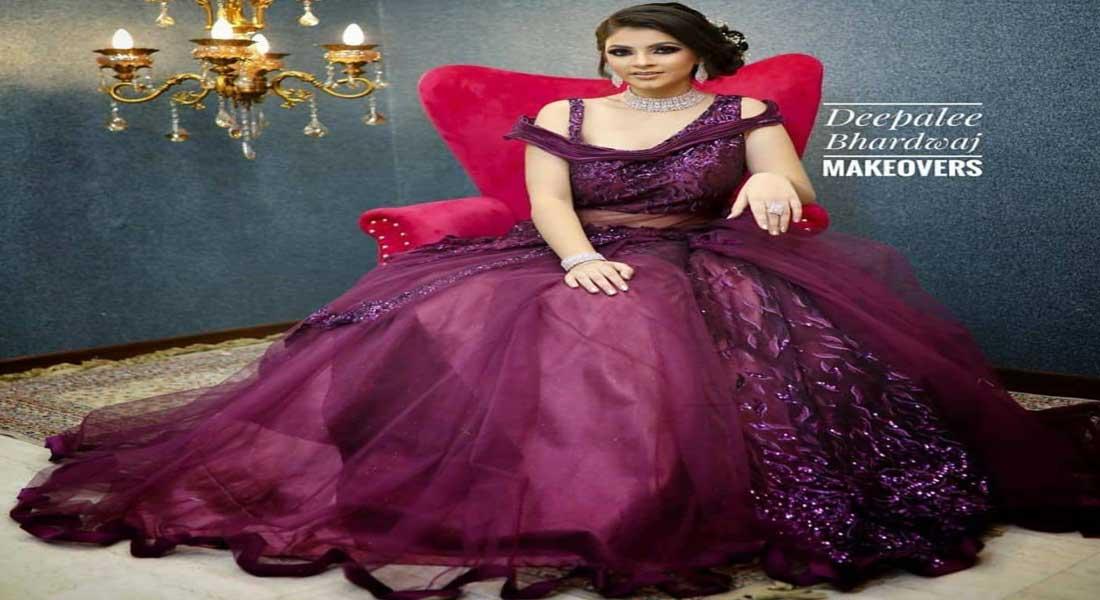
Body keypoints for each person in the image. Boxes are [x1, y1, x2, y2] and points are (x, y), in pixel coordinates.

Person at [10, 2, 1100, 599]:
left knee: (649, 336)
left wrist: (775, 182)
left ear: (698, 55)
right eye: (619, 49)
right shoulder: (564, 119)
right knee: (438, 314)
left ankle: (641, 504)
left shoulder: (743, 111)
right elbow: (546, 203)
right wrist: (575, 258)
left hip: (703, 251)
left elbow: (790, 184)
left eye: (658, 48)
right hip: (573, 247)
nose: (637, 62)